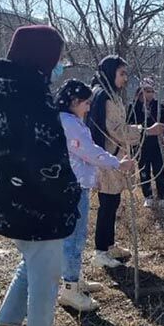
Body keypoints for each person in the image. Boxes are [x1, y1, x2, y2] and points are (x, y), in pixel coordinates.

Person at [0, 25, 81, 326]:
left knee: (32, 263)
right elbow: (45, 157)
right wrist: (67, 191)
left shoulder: (6, 90)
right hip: (38, 199)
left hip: (12, 193)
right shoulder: (30, 95)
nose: (59, 65)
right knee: (46, 274)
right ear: (41, 57)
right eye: (56, 58)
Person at [56, 79, 137, 312]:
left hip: (76, 183)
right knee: (74, 237)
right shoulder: (69, 123)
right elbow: (90, 152)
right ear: (73, 101)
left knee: (76, 235)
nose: (89, 108)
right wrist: (117, 164)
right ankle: (70, 289)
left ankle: (75, 279)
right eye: (86, 103)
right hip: (73, 185)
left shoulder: (70, 120)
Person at [88, 56, 164, 268]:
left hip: (114, 157)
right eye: (121, 73)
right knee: (107, 204)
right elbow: (115, 130)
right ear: (111, 72)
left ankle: (109, 245)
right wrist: (145, 131)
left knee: (112, 202)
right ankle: (100, 251)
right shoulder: (104, 96)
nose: (125, 78)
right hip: (108, 157)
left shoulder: (109, 94)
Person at [128, 77, 164, 209]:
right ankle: (148, 196)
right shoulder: (133, 107)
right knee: (144, 171)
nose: (150, 94)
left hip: (156, 144)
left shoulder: (158, 106)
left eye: (152, 91)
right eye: (147, 91)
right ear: (141, 91)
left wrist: (162, 135)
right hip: (140, 145)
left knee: (159, 169)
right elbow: (129, 125)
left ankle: (163, 196)